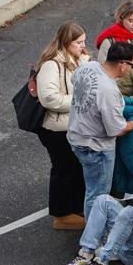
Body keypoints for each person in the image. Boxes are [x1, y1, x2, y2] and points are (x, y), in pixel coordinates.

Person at [67, 41, 133, 217]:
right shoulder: (109, 91)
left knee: (91, 189)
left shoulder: (89, 67)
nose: (132, 69)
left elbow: (74, 79)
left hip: (77, 137)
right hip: (97, 147)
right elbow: (117, 129)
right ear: (123, 64)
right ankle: (93, 238)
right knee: (98, 195)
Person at [34, 21, 89, 230]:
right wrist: (79, 101)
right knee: (64, 169)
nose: (83, 47)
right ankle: (62, 215)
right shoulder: (51, 64)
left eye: (84, 42)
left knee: (76, 167)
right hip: (57, 129)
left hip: (72, 126)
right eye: (78, 43)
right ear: (67, 42)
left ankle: (75, 209)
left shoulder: (78, 60)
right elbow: (48, 98)